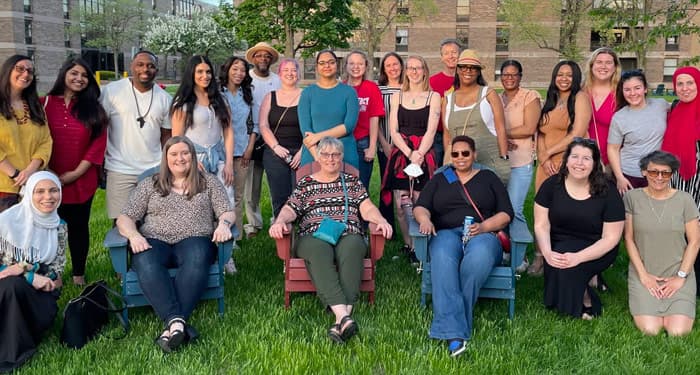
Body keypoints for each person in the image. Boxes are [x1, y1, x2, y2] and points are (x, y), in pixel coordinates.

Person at [116, 136, 235, 353]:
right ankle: (178, 323)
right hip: (155, 239)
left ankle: (171, 325)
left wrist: (224, 224)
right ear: (165, 158)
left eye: (185, 153)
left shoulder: (208, 182)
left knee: (198, 256)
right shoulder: (150, 184)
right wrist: (133, 236)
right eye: (173, 154)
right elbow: (125, 217)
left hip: (195, 238)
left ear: (192, 156)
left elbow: (226, 211)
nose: (179, 158)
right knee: (146, 262)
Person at [268, 137, 392, 344]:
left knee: (353, 246)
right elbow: (291, 208)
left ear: (342, 157)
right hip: (312, 235)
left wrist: (380, 220)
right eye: (325, 154)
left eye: (336, 154)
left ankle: (339, 318)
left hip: (347, 232)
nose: (331, 159)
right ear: (318, 157)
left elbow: (366, 207)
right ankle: (345, 316)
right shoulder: (306, 183)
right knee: (319, 250)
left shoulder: (351, 182)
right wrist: (280, 221)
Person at [413, 135, 513, 357]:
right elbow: (420, 207)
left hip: (483, 234)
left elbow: (507, 213)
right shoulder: (441, 178)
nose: (460, 158)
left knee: (477, 260)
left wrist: (485, 226)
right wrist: (425, 220)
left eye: (465, 153)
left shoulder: (488, 178)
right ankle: (456, 334)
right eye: (455, 154)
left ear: (474, 154)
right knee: (443, 259)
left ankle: (451, 329)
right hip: (446, 232)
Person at [534, 138, 624, 319]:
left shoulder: (609, 191)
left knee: (569, 267)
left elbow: (611, 238)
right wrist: (547, 252)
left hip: (597, 245)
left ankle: (588, 302)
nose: (579, 163)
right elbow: (541, 224)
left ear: (595, 163)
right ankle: (577, 288)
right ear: (566, 160)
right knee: (559, 260)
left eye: (586, 158)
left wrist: (578, 258)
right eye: (574, 157)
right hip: (559, 242)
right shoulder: (551, 186)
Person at [44, 58, 108, 286]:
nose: (79, 79)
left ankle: (78, 274)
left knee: (78, 228)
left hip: (81, 180)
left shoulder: (94, 110)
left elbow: (97, 146)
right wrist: (49, 171)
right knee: (52, 229)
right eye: (74, 73)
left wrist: (74, 174)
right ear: (64, 74)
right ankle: (55, 273)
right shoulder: (44, 103)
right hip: (48, 180)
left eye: (84, 75)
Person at [623, 151, 699, 336]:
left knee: (678, 332)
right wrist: (644, 276)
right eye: (653, 172)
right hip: (644, 272)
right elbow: (629, 239)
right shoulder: (632, 198)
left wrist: (681, 277)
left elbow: (695, 241)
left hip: (679, 272)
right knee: (651, 330)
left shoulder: (684, 200)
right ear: (643, 172)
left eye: (665, 173)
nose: (659, 177)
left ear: (672, 174)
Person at [528, 61, 591, 276]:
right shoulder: (552, 100)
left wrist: (552, 154)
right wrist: (544, 157)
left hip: (570, 163)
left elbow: (578, 133)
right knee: (542, 211)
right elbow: (541, 131)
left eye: (569, 75)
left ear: (576, 78)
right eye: (560, 74)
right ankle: (540, 257)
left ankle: (568, 256)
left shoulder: (580, 98)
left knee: (567, 211)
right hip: (546, 165)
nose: (564, 78)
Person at [0, 171, 65, 372]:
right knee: (12, 285)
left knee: (16, 285)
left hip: (40, 292)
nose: (48, 197)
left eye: (53, 190)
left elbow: (57, 270)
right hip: (5, 290)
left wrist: (32, 271)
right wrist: (27, 274)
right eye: (40, 191)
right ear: (28, 194)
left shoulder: (59, 226)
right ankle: (11, 354)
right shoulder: (5, 222)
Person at [101, 50, 172, 220]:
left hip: (153, 169)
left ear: (156, 70)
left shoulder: (165, 99)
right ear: (131, 66)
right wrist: (100, 162)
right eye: (140, 64)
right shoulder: (112, 91)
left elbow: (166, 136)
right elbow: (100, 128)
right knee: (121, 221)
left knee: (153, 221)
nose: (145, 69)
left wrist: (166, 167)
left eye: (150, 66)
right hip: (119, 168)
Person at [384, 55, 440, 259]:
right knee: (401, 203)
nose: (414, 72)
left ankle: (421, 245)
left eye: (418, 68)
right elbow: (393, 129)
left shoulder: (433, 97)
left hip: (424, 153)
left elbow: (432, 131)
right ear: (406, 71)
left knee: (419, 200)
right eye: (410, 68)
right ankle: (409, 245)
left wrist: (419, 155)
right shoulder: (397, 96)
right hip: (401, 154)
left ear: (425, 71)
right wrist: (409, 154)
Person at [442, 49, 509, 184]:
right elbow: (447, 135)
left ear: (478, 71)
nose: (468, 71)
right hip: (459, 166)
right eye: (464, 67)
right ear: (458, 69)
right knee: (457, 199)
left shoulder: (489, 94)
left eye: (473, 68)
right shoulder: (448, 99)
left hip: (489, 162)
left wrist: (504, 157)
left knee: (489, 202)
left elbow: (501, 128)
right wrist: (448, 160)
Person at [499, 60, 540, 273]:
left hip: (521, 161)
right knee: (500, 208)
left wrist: (504, 134)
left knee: (514, 209)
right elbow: (491, 126)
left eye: (513, 74)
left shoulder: (529, 97)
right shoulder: (497, 98)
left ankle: (520, 257)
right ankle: (505, 249)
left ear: (520, 76)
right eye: (505, 74)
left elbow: (530, 127)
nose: (509, 78)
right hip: (500, 160)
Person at [662, 66, 700, 296]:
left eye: (690, 83)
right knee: (682, 226)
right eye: (680, 84)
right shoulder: (675, 109)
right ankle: (680, 271)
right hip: (677, 176)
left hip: (698, 177)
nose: (685, 89)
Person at [0, 55, 52, 212]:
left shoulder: (34, 106)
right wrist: (15, 174)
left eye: (30, 71)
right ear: (8, 71)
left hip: (33, 185)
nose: (25, 74)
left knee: (30, 235)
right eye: (20, 69)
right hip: (3, 187)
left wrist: (30, 171)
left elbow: (45, 141)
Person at [608, 70, 668, 194]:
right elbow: (613, 149)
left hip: (658, 173)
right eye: (627, 89)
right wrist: (619, 177)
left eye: (637, 88)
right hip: (629, 174)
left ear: (645, 89)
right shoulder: (619, 117)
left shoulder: (661, 105)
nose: (633, 93)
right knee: (630, 212)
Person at [243, 42, 281, 238]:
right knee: (252, 185)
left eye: (267, 56)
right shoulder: (245, 78)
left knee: (277, 182)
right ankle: (253, 224)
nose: (263, 59)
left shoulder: (278, 80)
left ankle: (279, 220)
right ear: (253, 59)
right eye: (259, 56)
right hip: (251, 136)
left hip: (274, 136)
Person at [298, 50, 359, 168]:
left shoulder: (349, 92)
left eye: (331, 62)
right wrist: (319, 158)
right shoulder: (307, 93)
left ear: (337, 64)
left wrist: (318, 136)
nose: (327, 66)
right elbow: (306, 130)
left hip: (343, 154)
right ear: (316, 67)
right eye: (322, 63)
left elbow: (348, 126)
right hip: (313, 154)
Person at [259, 58, 303, 218]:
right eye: (286, 70)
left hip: (301, 152)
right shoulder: (270, 97)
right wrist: (276, 147)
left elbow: (313, 126)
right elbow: (263, 125)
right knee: (279, 195)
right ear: (279, 74)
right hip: (275, 153)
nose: (290, 73)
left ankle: (301, 233)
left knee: (300, 196)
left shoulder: (306, 96)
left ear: (298, 74)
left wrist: (303, 151)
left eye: (293, 70)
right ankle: (281, 230)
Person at [220, 56, 255, 241]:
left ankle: (236, 237)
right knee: (221, 195)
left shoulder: (247, 94)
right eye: (235, 69)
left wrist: (250, 147)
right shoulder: (217, 93)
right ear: (227, 70)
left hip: (242, 152)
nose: (239, 73)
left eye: (242, 70)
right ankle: (219, 234)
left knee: (238, 196)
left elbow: (253, 124)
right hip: (220, 153)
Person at [344, 50, 384, 189]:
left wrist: (372, 146)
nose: (356, 67)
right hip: (343, 142)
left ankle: (361, 212)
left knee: (361, 187)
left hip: (363, 142)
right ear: (346, 66)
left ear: (366, 66)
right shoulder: (340, 88)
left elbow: (374, 118)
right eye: (352, 63)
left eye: (360, 63)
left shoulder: (371, 88)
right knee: (343, 185)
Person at [377, 52, 404, 231]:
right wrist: (385, 145)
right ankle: (387, 226)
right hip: (385, 145)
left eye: (395, 64)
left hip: (407, 146)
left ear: (401, 66)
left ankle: (409, 223)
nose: (393, 68)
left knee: (405, 187)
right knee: (386, 184)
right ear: (383, 69)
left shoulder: (410, 89)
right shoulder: (379, 90)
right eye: (388, 65)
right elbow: (375, 121)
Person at [583, 47, 621, 167]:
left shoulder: (621, 93)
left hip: (612, 161)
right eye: (599, 62)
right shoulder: (581, 91)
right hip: (582, 158)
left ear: (615, 67)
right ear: (591, 66)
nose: (603, 66)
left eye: (608, 63)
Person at [430, 39, 462, 166]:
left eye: (454, 52)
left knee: (458, 169)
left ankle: (456, 186)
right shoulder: (432, 82)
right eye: (446, 53)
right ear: (441, 57)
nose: (451, 56)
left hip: (460, 133)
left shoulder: (468, 80)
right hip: (437, 135)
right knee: (438, 169)